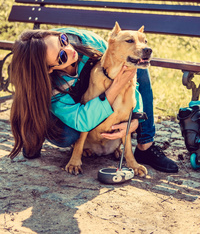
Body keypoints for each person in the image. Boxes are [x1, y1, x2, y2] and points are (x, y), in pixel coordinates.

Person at [9, 27, 178, 173]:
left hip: (96, 85)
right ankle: (36, 123)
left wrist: (136, 116)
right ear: (49, 69)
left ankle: (146, 146)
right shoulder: (50, 87)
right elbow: (82, 120)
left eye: (63, 41)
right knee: (68, 135)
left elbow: (128, 80)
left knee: (138, 64)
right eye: (61, 56)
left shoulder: (89, 43)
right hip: (73, 103)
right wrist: (115, 87)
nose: (69, 49)